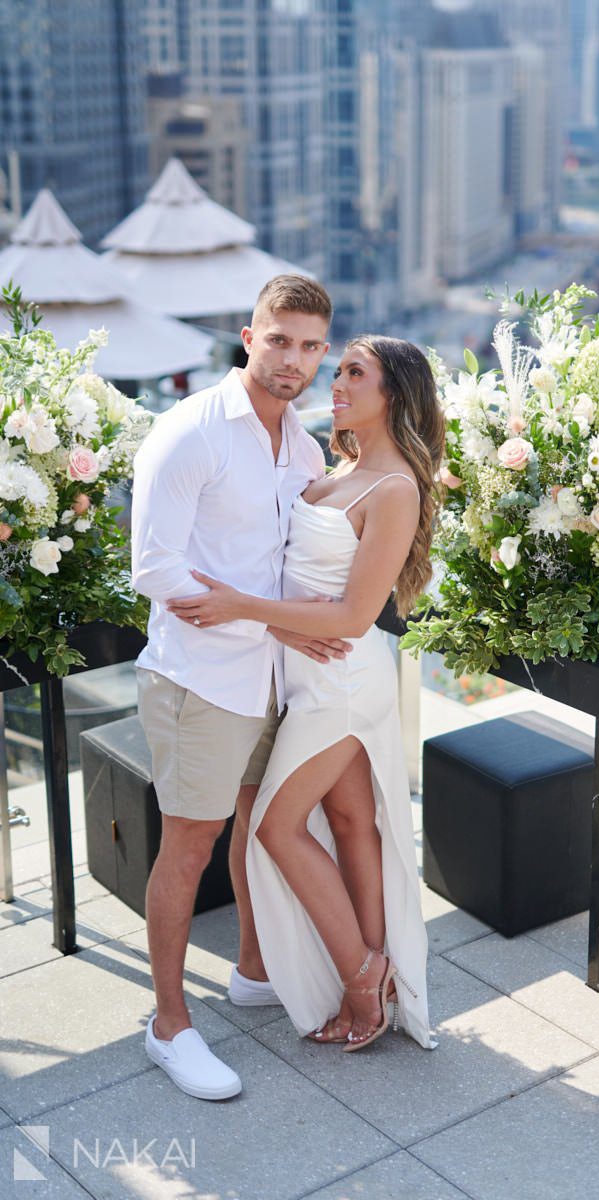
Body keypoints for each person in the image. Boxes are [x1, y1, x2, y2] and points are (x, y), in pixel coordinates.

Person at [168, 335, 444, 1051]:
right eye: (341, 369)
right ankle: (375, 981)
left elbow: (355, 615)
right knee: (354, 828)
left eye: (357, 373)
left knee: (275, 827)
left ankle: (361, 975)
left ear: (395, 397)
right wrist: (273, 625)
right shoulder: (334, 469)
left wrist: (242, 608)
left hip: (343, 685)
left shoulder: (396, 489)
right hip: (305, 676)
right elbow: (293, 581)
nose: (338, 382)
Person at [131, 275, 352, 1100]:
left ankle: (253, 972)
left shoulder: (302, 446)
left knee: (259, 822)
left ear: (323, 353)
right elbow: (154, 570)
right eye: (279, 339)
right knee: (188, 847)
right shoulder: (190, 432)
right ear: (248, 334)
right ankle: (167, 1024)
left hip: (271, 678)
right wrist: (282, 626)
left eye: (309, 346)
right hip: (200, 679)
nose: (292, 359)